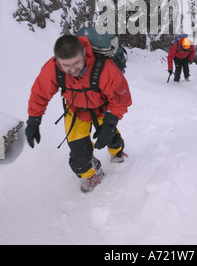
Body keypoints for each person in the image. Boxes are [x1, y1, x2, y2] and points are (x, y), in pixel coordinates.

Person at [25, 34, 132, 193]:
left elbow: (121, 98)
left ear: (83, 53)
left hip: (102, 110)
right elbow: (40, 94)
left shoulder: (103, 68)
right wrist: (34, 120)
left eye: (77, 63)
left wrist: (110, 123)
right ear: (58, 60)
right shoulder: (53, 68)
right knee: (78, 152)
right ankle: (90, 175)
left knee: (109, 136)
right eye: (66, 66)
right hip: (75, 111)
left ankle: (117, 151)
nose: (73, 69)